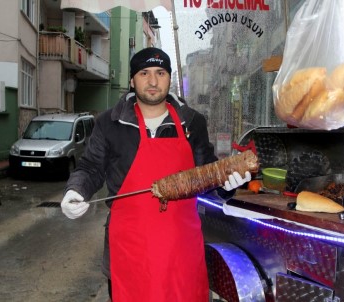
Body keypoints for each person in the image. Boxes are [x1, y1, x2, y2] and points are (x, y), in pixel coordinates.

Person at [60, 47, 251, 302]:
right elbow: (91, 167)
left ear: (169, 78)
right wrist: (76, 190)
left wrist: (229, 184)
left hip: (180, 249)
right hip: (129, 247)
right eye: (144, 73)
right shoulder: (109, 123)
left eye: (160, 73)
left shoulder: (192, 123)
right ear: (132, 80)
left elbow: (209, 173)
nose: (152, 81)